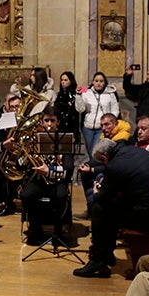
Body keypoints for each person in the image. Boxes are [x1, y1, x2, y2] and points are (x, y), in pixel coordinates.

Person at [71, 139, 149, 278]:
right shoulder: (133, 151)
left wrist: (97, 191)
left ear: (104, 157)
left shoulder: (115, 165)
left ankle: (98, 262)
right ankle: (105, 255)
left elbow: (102, 197)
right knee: (109, 208)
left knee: (99, 209)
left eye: (103, 162)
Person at [15, 106, 75, 246]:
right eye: (46, 120)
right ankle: (36, 230)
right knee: (26, 195)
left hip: (58, 181)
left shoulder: (65, 140)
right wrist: (26, 153)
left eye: (52, 121)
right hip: (38, 181)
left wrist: (48, 171)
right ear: (41, 122)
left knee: (61, 196)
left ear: (58, 122)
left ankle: (58, 231)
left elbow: (68, 169)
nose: (49, 124)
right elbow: (19, 165)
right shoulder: (34, 139)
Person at [78, 72, 120, 158]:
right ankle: (94, 166)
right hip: (88, 127)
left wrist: (110, 122)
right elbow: (80, 109)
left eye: (101, 81)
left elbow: (115, 110)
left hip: (102, 128)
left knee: (96, 151)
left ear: (105, 82)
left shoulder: (110, 94)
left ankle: (96, 166)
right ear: (93, 82)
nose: (98, 83)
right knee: (90, 152)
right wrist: (78, 96)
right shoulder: (86, 92)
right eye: (96, 81)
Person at [53, 71, 84, 137]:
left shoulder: (76, 92)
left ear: (71, 81)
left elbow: (87, 89)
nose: (63, 82)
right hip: (61, 124)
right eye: (61, 80)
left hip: (73, 123)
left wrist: (80, 91)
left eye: (66, 80)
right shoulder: (59, 94)